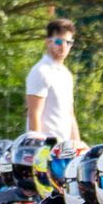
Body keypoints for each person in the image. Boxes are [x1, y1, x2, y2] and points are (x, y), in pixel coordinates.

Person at [25, 18, 80, 146]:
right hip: (46, 149)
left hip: (63, 150)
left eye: (69, 42)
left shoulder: (66, 75)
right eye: (59, 41)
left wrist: (77, 146)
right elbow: (34, 114)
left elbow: (70, 115)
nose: (64, 47)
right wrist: (39, 153)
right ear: (48, 42)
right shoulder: (40, 71)